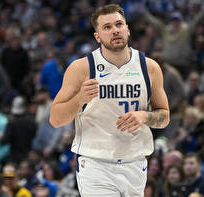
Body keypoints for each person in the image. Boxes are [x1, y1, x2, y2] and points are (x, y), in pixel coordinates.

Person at [49, 4, 170, 196]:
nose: (115, 30)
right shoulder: (82, 68)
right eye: (107, 27)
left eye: (119, 24)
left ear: (127, 29)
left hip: (135, 163)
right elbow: (55, 119)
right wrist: (79, 99)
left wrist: (145, 116)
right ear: (97, 37)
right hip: (96, 165)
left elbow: (164, 116)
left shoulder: (149, 67)